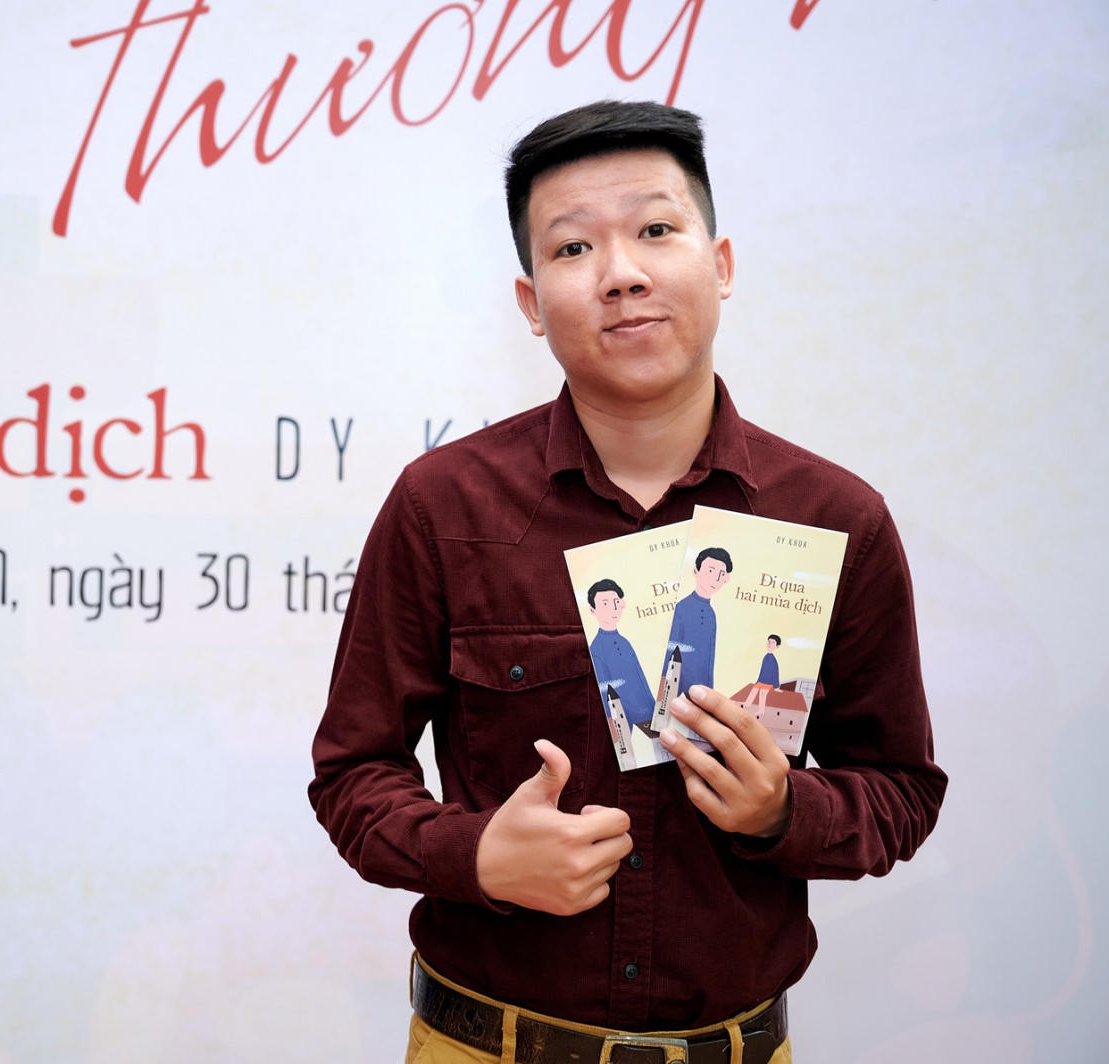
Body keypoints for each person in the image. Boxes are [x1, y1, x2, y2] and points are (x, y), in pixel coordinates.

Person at [307, 100, 946, 1063]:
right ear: (531, 304)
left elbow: (901, 790)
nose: (622, 274)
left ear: (720, 265)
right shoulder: (443, 505)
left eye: (655, 230)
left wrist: (784, 812)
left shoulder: (834, 518)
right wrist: (477, 856)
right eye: (573, 248)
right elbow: (352, 775)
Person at [585, 578, 654, 727]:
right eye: (605, 604)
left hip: (651, 718)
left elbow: (642, 681)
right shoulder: (596, 650)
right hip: (629, 724)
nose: (613, 608)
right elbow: (607, 698)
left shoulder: (625, 642)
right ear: (592, 610)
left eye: (615, 602)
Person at [664, 546, 733, 692]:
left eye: (721, 574)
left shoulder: (711, 614)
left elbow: (709, 659)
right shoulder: (681, 608)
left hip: (702, 692)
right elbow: (670, 652)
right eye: (710, 571)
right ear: (696, 571)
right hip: (678, 688)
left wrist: (709, 690)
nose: (715, 578)